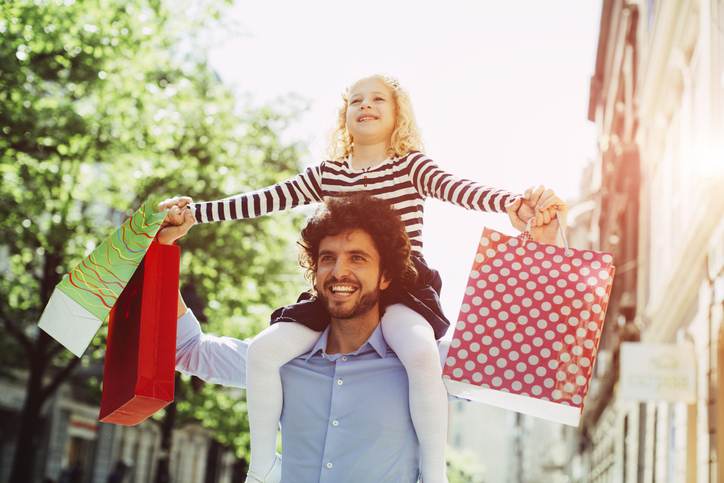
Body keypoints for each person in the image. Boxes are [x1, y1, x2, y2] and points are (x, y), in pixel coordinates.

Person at [159, 74, 565, 482]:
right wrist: (190, 218)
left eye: (377, 100)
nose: (365, 106)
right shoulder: (328, 175)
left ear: (398, 115)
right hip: (303, 372)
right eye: (356, 101)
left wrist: (516, 208)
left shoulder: (411, 166)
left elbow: (459, 190)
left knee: (421, 354)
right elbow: (264, 199)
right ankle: (261, 466)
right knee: (264, 351)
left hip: (408, 288)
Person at [163, 194, 565, 482]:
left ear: (386, 276)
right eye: (327, 258)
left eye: (358, 258)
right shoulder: (280, 359)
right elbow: (188, 350)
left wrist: (545, 246)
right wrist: (162, 252)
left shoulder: (427, 362)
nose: (340, 271)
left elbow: (526, 359)